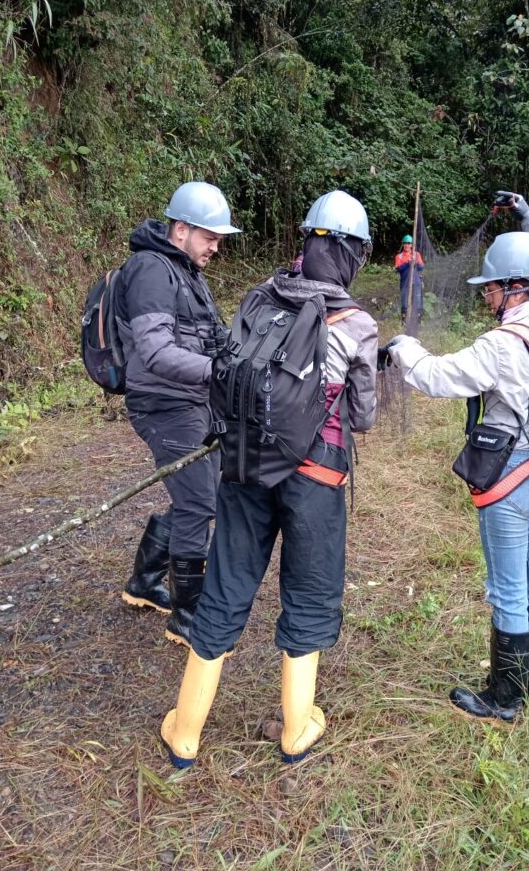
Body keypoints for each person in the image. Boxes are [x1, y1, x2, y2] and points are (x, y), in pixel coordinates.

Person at [160, 189, 378, 767]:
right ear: (355, 254)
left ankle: (185, 731)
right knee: (308, 591)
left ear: (305, 242)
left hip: (245, 466)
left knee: (228, 583)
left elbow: (230, 368)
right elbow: (364, 418)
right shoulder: (356, 323)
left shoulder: (261, 296)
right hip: (317, 477)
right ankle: (296, 729)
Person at [384, 192, 529, 725]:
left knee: (508, 590)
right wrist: (525, 219)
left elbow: (437, 375)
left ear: (515, 288)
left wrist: (403, 347)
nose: (488, 296)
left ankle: (504, 699)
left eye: (492, 287)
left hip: (510, 485)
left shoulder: (503, 344)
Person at [117, 181, 241, 646]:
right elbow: (154, 351)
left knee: (199, 491)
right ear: (181, 228)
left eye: (220, 238)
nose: (216, 245)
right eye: (210, 236)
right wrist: (221, 373)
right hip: (164, 405)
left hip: (194, 400)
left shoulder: (185, 269)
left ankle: (144, 584)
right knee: (199, 503)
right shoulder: (151, 269)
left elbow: (210, 335)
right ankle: (188, 616)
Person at [394, 234, 424, 322]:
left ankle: (418, 320)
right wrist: (407, 262)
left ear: (412, 245)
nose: (406, 245)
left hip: (416, 281)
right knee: (405, 301)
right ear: (403, 244)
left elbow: (421, 267)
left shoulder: (416, 254)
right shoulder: (398, 256)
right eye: (405, 243)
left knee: (417, 300)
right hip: (404, 282)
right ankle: (404, 319)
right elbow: (398, 269)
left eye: (408, 243)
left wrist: (416, 262)